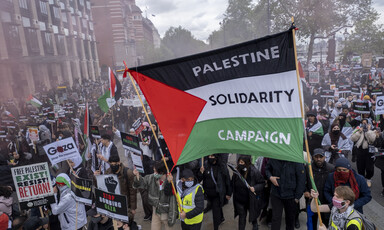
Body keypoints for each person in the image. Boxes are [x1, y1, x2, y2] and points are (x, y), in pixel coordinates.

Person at [133, 161, 178, 230]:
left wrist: (172, 218)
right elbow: (142, 182)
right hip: (155, 212)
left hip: (166, 213)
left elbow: (173, 202)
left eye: (156, 171)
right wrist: (137, 176)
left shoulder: (170, 182)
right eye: (154, 171)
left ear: (162, 172)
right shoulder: (151, 178)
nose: (154, 173)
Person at [265, 158, 306, 230]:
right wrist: (270, 177)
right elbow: (267, 169)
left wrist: (297, 197)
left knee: (290, 220)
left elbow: (301, 180)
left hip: (291, 196)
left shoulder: (296, 161)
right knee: (275, 218)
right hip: (276, 194)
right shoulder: (274, 158)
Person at [230, 155, 265, 230]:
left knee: (253, 214)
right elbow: (232, 184)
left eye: (242, 162)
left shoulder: (254, 172)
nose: (240, 164)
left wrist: (255, 188)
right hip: (239, 201)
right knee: (242, 218)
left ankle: (254, 223)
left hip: (250, 201)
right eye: (239, 162)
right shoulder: (236, 172)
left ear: (246, 163)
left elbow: (262, 183)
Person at [197, 154, 231, 230]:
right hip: (208, 193)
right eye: (209, 156)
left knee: (215, 213)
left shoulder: (222, 166)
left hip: (217, 194)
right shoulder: (205, 164)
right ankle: (221, 217)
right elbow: (199, 179)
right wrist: (200, 172)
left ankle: (216, 227)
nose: (210, 158)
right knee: (217, 208)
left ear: (216, 157)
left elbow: (227, 180)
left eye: (212, 157)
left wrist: (229, 193)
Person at [304, 148, 334, 230]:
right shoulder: (308, 167)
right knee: (311, 223)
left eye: (321, 157)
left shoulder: (331, 168)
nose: (318, 159)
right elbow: (304, 181)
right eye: (316, 157)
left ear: (324, 157)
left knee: (325, 223)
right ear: (313, 157)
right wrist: (306, 191)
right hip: (312, 200)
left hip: (325, 201)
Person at [103, 154, 137, 222]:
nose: (113, 166)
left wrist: (133, 208)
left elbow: (132, 192)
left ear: (119, 162)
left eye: (114, 164)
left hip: (126, 205)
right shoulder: (108, 172)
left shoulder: (128, 173)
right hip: (115, 204)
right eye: (111, 164)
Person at [350, 119, 376, 187]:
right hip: (360, 150)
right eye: (362, 123)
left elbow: (372, 139)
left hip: (369, 151)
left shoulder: (373, 130)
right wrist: (359, 132)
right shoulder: (358, 129)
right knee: (360, 166)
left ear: (368, 123)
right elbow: (352, 138)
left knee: (369, 167)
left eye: (365, 123)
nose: (364, 124)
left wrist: (368, 131)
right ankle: (361, 179)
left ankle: (369, 179)